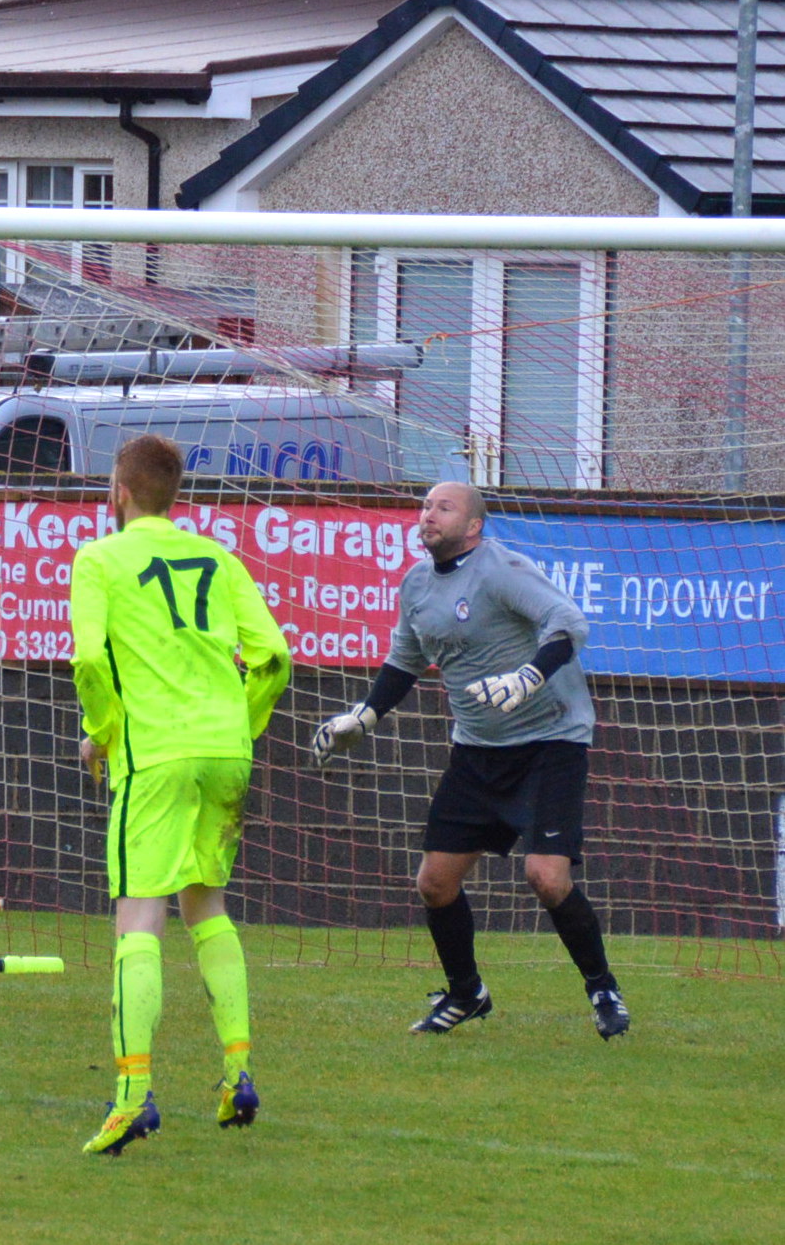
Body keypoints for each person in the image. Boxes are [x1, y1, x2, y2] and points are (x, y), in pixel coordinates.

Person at [313, 482, 629, 1041]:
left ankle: (602, 988)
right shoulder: (416, 584)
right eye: (425, 506)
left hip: (550, 743)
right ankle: (466, 993)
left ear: (474, 526)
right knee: (435, 883)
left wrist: (528, 676)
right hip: (477, 750)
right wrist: (363, 717)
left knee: (546, 877)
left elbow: (570, 623)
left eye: (445, 507)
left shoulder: (500, 569)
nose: (428, 514)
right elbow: (404, 662)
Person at [70, 435, 290, 1156]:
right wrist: (241, 727)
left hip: (156, 754)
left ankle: (132, 1095)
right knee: (206, 905)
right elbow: (275, 656)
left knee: (138, 915)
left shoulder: (99, 558)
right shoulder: (219, 558)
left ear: (119, 491)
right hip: (226, 751)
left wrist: (103, 732)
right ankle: (237, 1073)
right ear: (175, 495)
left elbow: (88, 660)